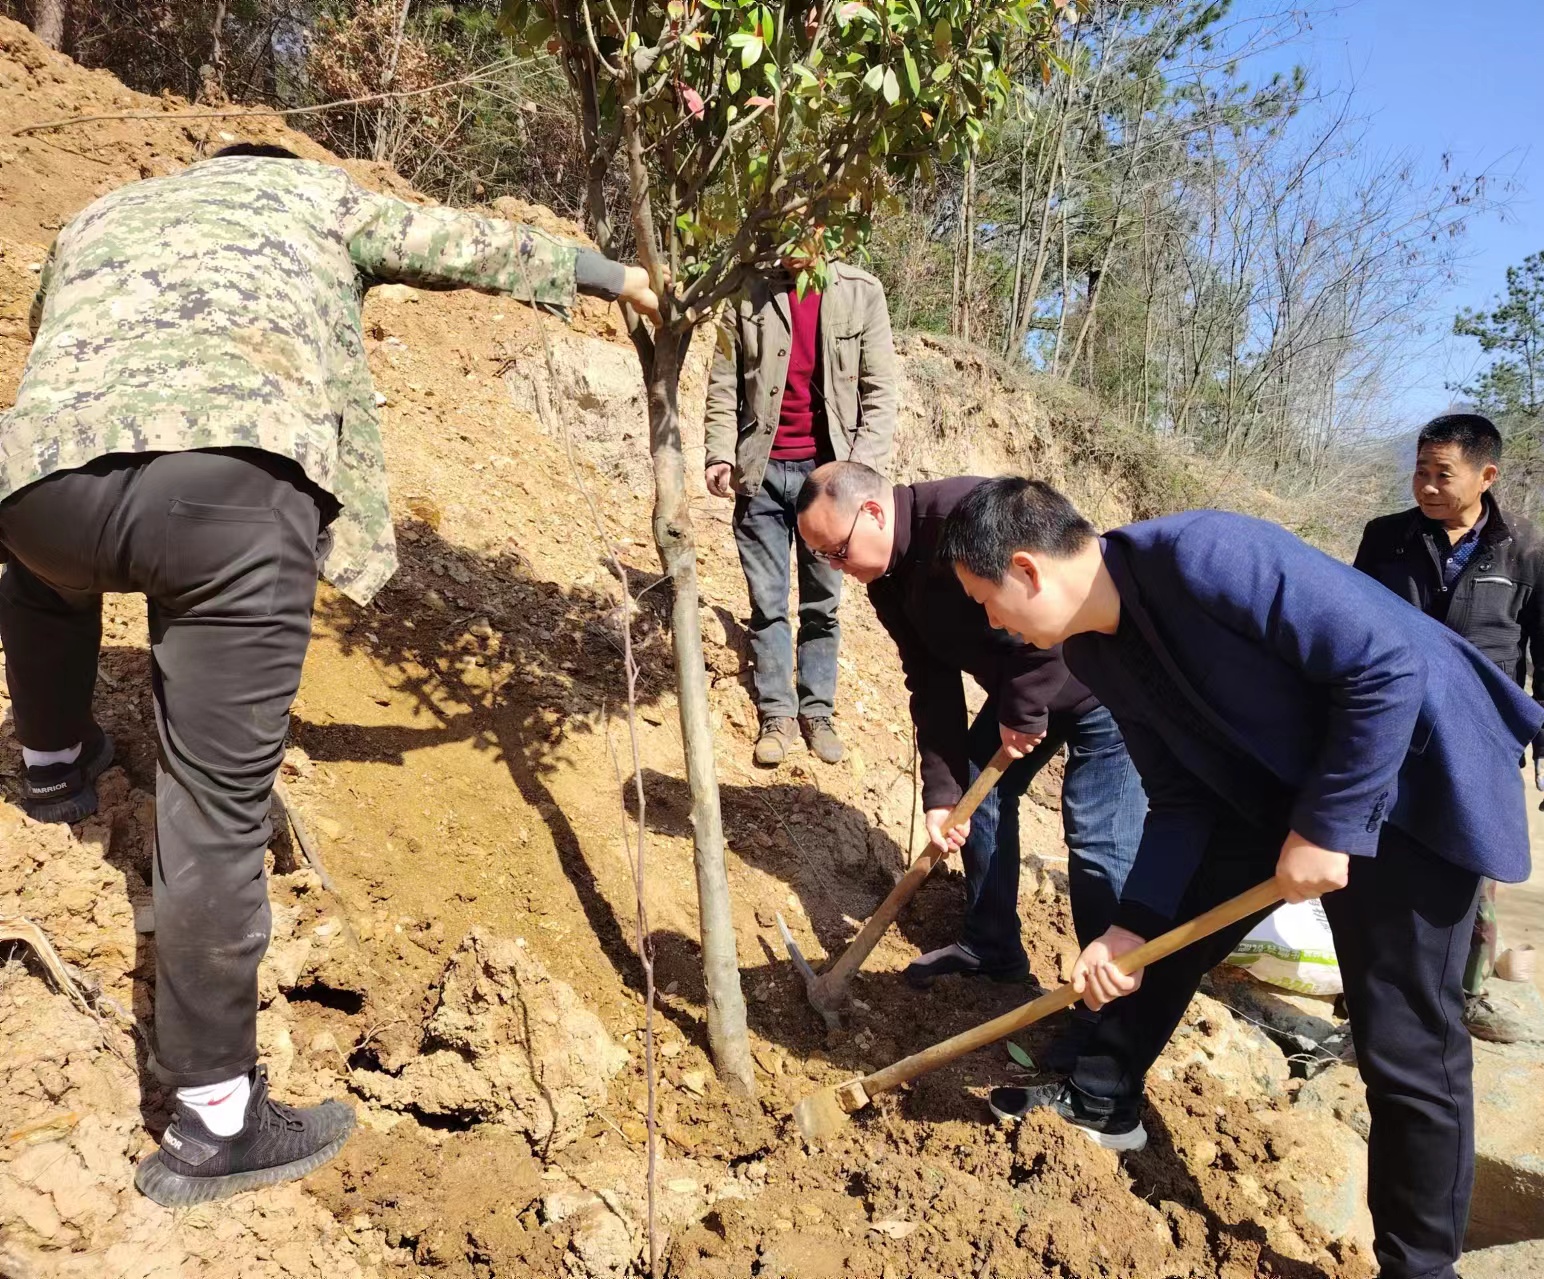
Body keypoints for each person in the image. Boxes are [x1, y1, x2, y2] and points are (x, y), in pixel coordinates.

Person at [0, 143, 659, 1206]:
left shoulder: (103, 211)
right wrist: (609, 273)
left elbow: (55, 347)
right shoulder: (313, 194)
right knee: (213, 807)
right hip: (230, 485)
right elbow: (457, 242)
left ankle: (52, 763)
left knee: (41, 576)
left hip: (37, 484)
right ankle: (214, 1119)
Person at [938, 479, 1544, 1279]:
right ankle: (1101, 1097)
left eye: (988, 600)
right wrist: (1130, 926)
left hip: (1412, 783)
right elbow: (1183, 794)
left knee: (1404, 1043)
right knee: (1155, 933)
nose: (993, 623)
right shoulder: (1094, 651)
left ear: (1027, 568)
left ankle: (1421, 1267)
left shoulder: (1207, 554)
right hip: (1280, 791)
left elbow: (1386, 664)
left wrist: (1329, 823)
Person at [794, 462, 1145, 1069]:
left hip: (1100, 687)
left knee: (1097, 842)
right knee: (972, 805)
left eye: (838, 551)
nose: (839, 569)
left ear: (873, 513)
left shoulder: (971, 516)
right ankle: (992, 948)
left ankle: (1106, 1021)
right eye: (826, 559)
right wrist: (940, 790)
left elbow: (1060, 611)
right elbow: (929, 681)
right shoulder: (889, 581)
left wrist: (1025, 710)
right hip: (1023, 697)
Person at [1354, 412, 1544, 1043]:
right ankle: (1373, 991)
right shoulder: (1386, 538)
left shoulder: (1532, 550)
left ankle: (1463, 993)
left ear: (1486, 475)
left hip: (1481, 737)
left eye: (1441, 474)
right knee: (1381, 853)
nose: (1425, 486)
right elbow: (1351, 627)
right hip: (1394, 724)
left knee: (1471, 862)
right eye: (1420, 471)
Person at [703, 256, 898, 767]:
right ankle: (777, 713)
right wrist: (720, 451)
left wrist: (859, 472)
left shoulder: (862, 292)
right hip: (760, 469)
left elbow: (880, 394)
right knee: (767, 602)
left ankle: (817, 710)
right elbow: (723, 380)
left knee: (822, 605)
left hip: (829, 480)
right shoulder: (747, 289)